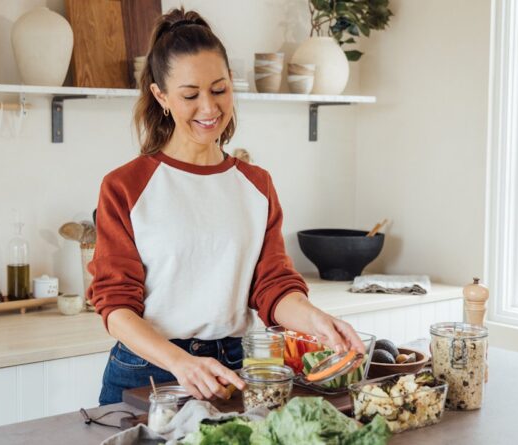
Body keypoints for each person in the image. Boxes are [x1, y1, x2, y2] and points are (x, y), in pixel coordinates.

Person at [89, 7, 366, 406]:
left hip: (235, 367)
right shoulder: (125, 186)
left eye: (219, 90)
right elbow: (116, 308)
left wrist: (317, 321)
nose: (209, 108)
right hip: (149, 370)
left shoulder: (256, 185)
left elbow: (272, 286)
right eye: (190, 95)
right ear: (161, 96)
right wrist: (181, 363)